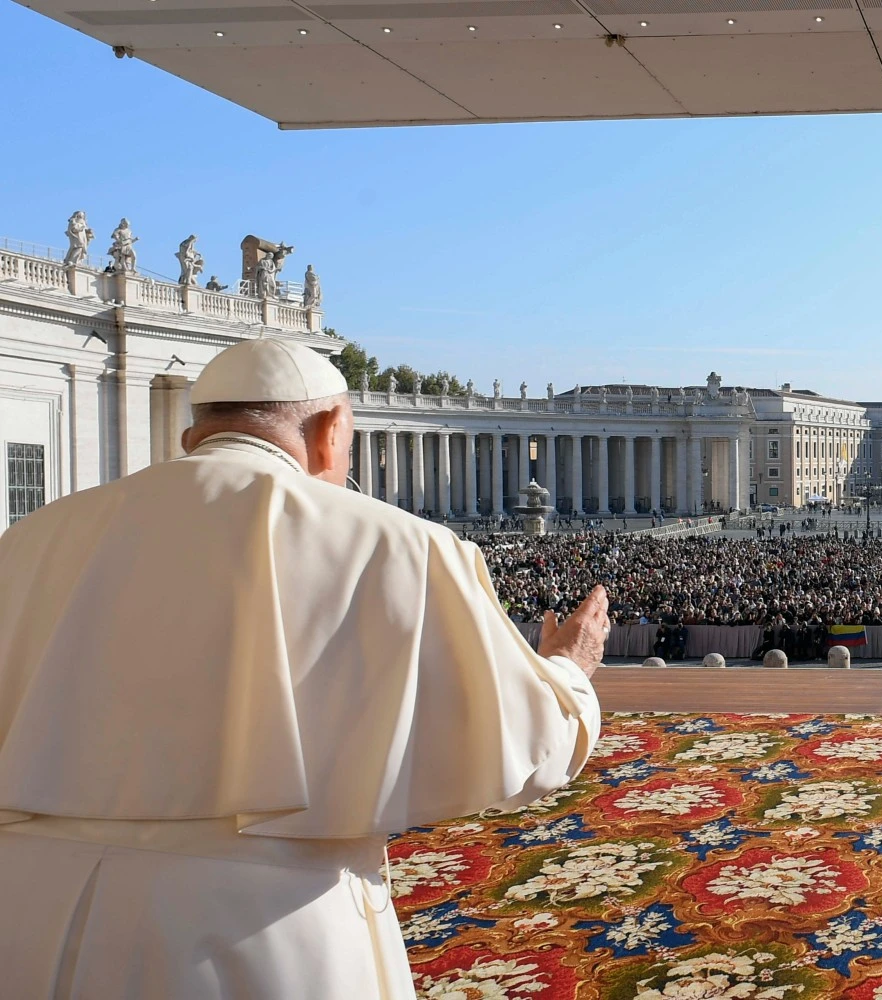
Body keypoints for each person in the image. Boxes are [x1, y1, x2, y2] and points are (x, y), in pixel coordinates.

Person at [0, 339, 605, 999]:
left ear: (190, 436)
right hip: (259, 930)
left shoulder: (28, 540)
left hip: (27, 917)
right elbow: (531, 747)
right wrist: (569, 669)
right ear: (329, 432)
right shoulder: (402, 543)